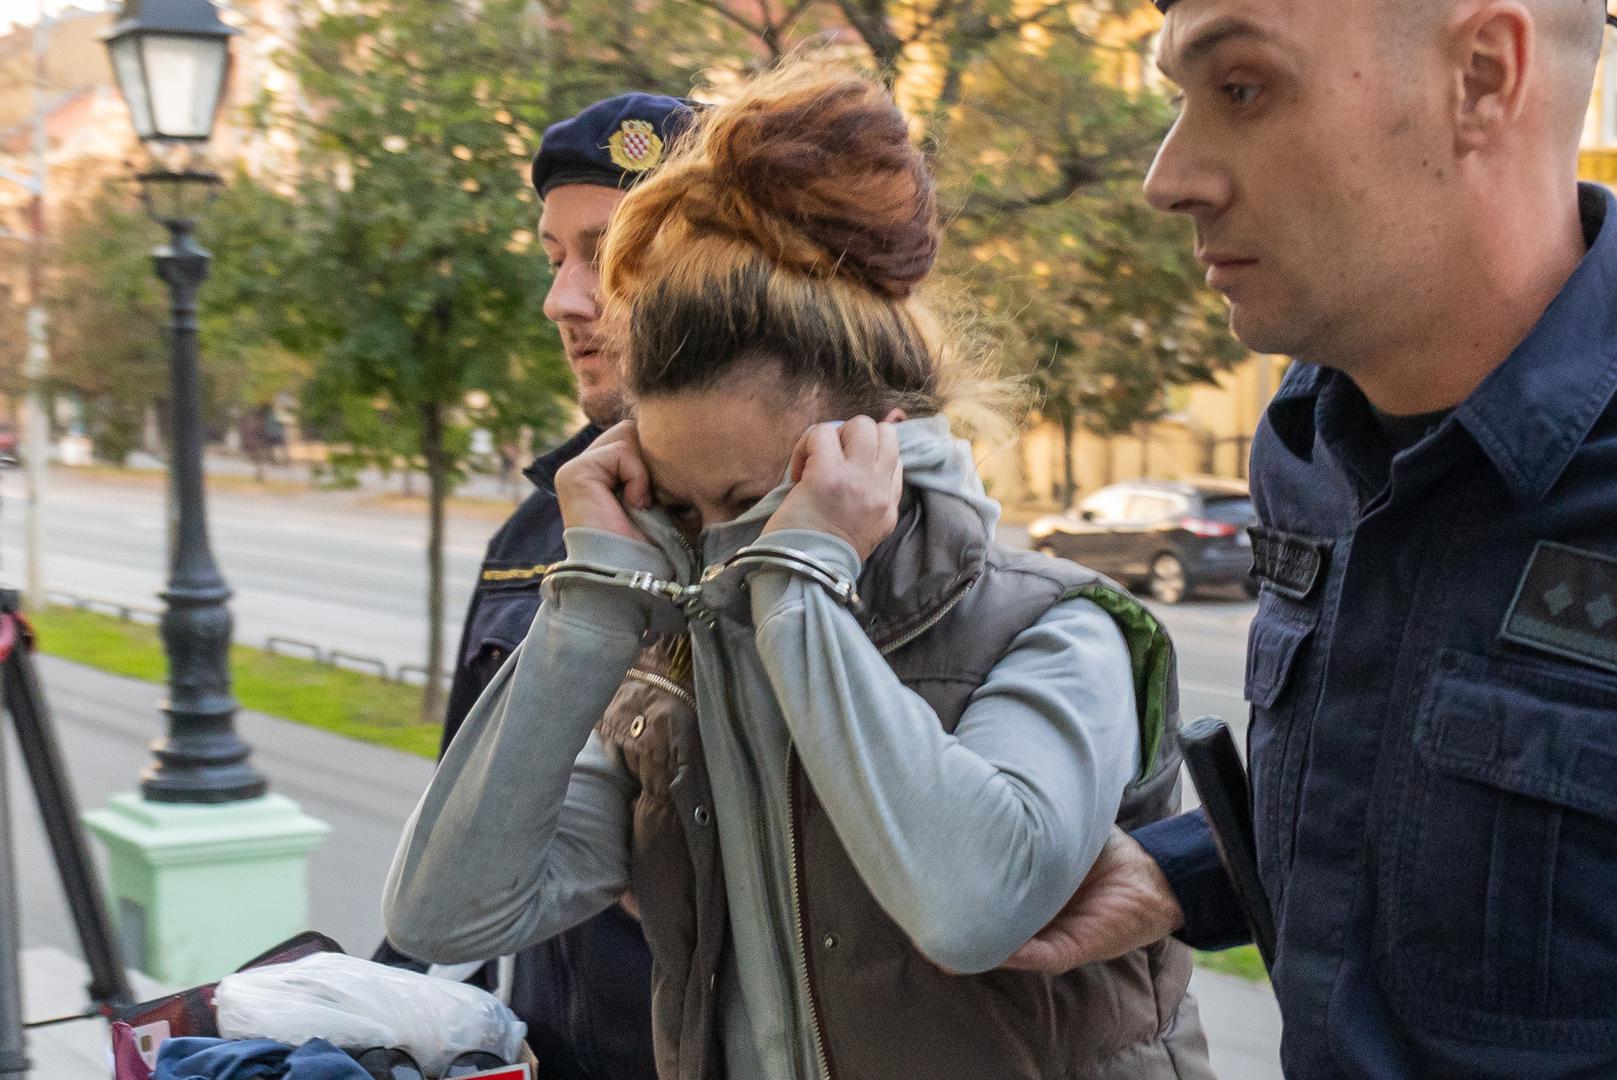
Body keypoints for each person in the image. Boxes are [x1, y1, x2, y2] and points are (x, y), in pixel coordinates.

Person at [385, 64, 1215, 1080]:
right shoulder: (689, 660)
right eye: (686, 507)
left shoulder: (1052, 625)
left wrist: (795, 577)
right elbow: (446, 907)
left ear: (868, 452)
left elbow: (969, 907)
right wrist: (599, 593)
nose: (715, 548)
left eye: (747, 503)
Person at [1005, 0, 1617, 1077]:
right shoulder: (1307, 444)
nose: (1169, 176)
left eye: (1241, 88)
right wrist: (1187, 872)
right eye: (1178, 102)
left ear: (1482, 76)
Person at [373, 92, 695, 1080]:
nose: (563, 300)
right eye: (555, 256)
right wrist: (385, 1010)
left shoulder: (818, 533)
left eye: (606, 253)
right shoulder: (533, 534)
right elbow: (464, 836)